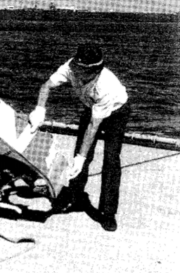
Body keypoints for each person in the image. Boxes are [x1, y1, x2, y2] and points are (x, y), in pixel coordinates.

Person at [29, 44, 130, 232]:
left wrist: (81, 158)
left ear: (95, 70)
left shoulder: (105, 85)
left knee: (110, 159)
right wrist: (39, 110)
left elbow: (94, 126)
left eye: (83, 71)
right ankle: (75, 197)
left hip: (117, 113)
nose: (77, 73)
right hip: (91, 109)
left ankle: (108, 213)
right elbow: (46, 86)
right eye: (77, 68)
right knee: (79, 154)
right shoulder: (70, 67)